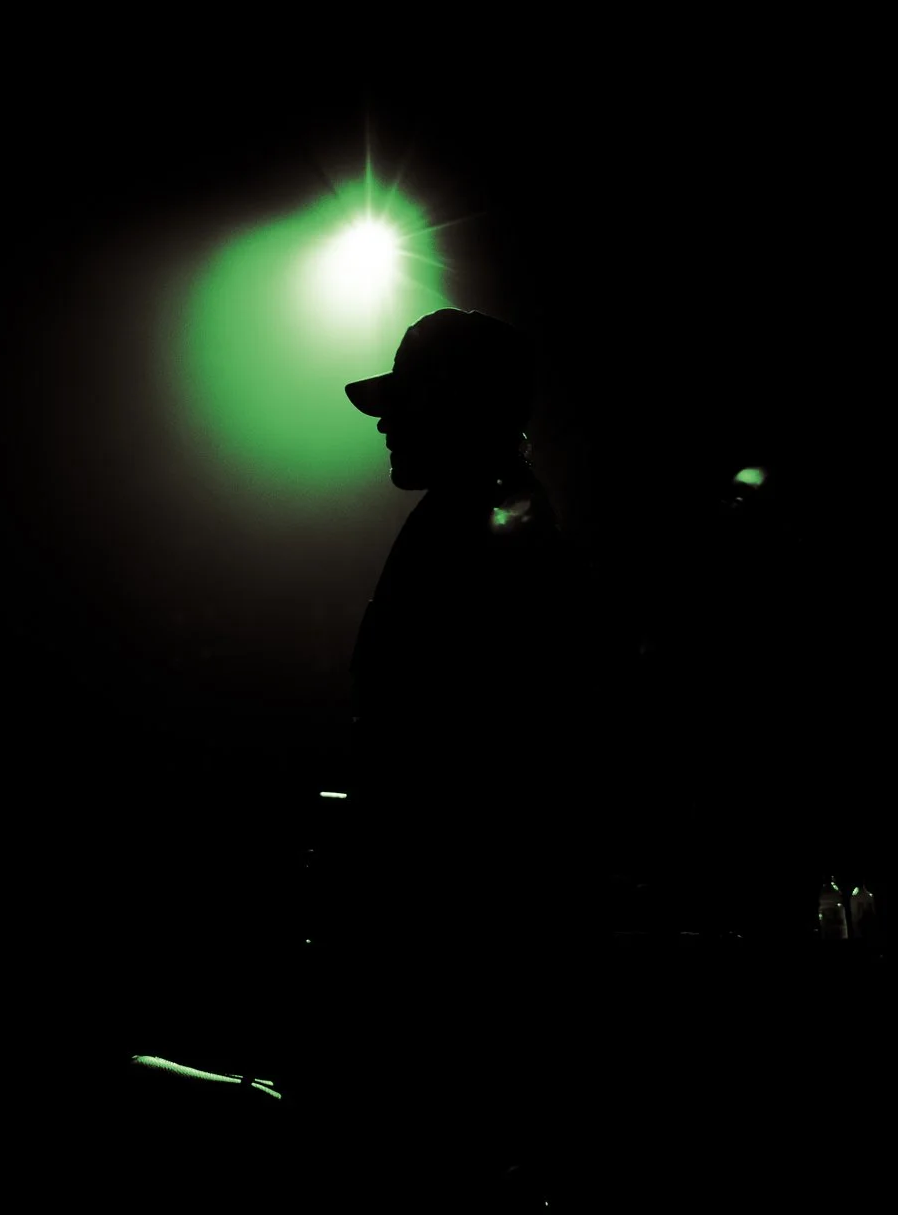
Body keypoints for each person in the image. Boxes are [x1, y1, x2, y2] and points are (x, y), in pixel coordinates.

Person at [319, 308, 610, 1183]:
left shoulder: (478, 534)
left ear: (456, 406)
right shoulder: (494, 518)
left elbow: (456, 759)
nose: (384, 424)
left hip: (446, 950)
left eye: (404, 402)